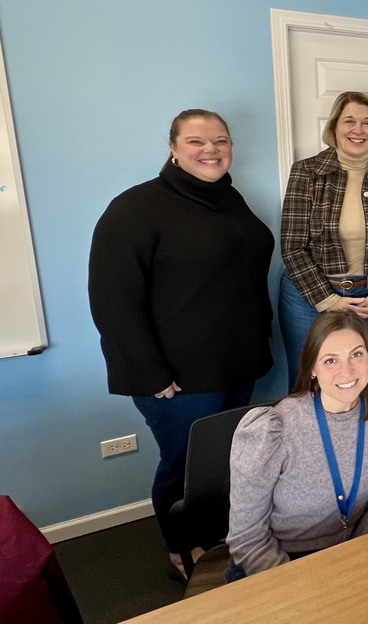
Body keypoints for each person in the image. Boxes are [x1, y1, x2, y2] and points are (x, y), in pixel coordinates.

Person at [88, 109, 274, 581]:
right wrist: (150, 374)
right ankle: (179, 548)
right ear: (172, 147)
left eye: (220, 140)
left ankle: (218, 536)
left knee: (227, 461)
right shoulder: (136, 208)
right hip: (178, 378)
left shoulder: (229, 201)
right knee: (184, 467)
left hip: (237, 365)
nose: (210, 149)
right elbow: (112, 300)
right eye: (196, 141)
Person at [226, 310, 368, 580]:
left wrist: (356, 559)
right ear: (312, 368)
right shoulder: (273, 430)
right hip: (280, 566)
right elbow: (248, 539)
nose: (347, 371)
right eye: (330, 360)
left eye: (357, 354)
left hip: (356, 554)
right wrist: (303, 589)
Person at [279, 92, 368, 386]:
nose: (358, 130)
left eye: (367, 123)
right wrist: (330, 299)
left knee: (362, 382)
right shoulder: (307, 172)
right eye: (350, 121)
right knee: (307, 384)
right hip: (309, 299)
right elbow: (292, 246)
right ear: (335, 127)